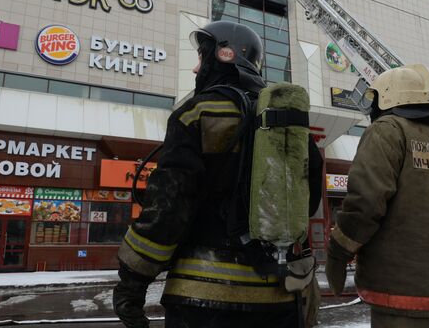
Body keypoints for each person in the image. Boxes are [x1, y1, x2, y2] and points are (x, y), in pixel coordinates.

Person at [113, 20, 323, 328]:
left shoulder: (196, 113)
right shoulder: (289, 127)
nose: (196, 69)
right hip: (279, 300)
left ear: (223, 56)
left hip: (202, 299)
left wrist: (132, 283)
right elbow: (308, 200)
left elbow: (169, 207)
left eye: (201, 57)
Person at [325, 64, 429, 328]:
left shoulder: (387, 129)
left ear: (387, 96)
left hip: (402, 295)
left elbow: (365, 203)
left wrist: (338, 251)